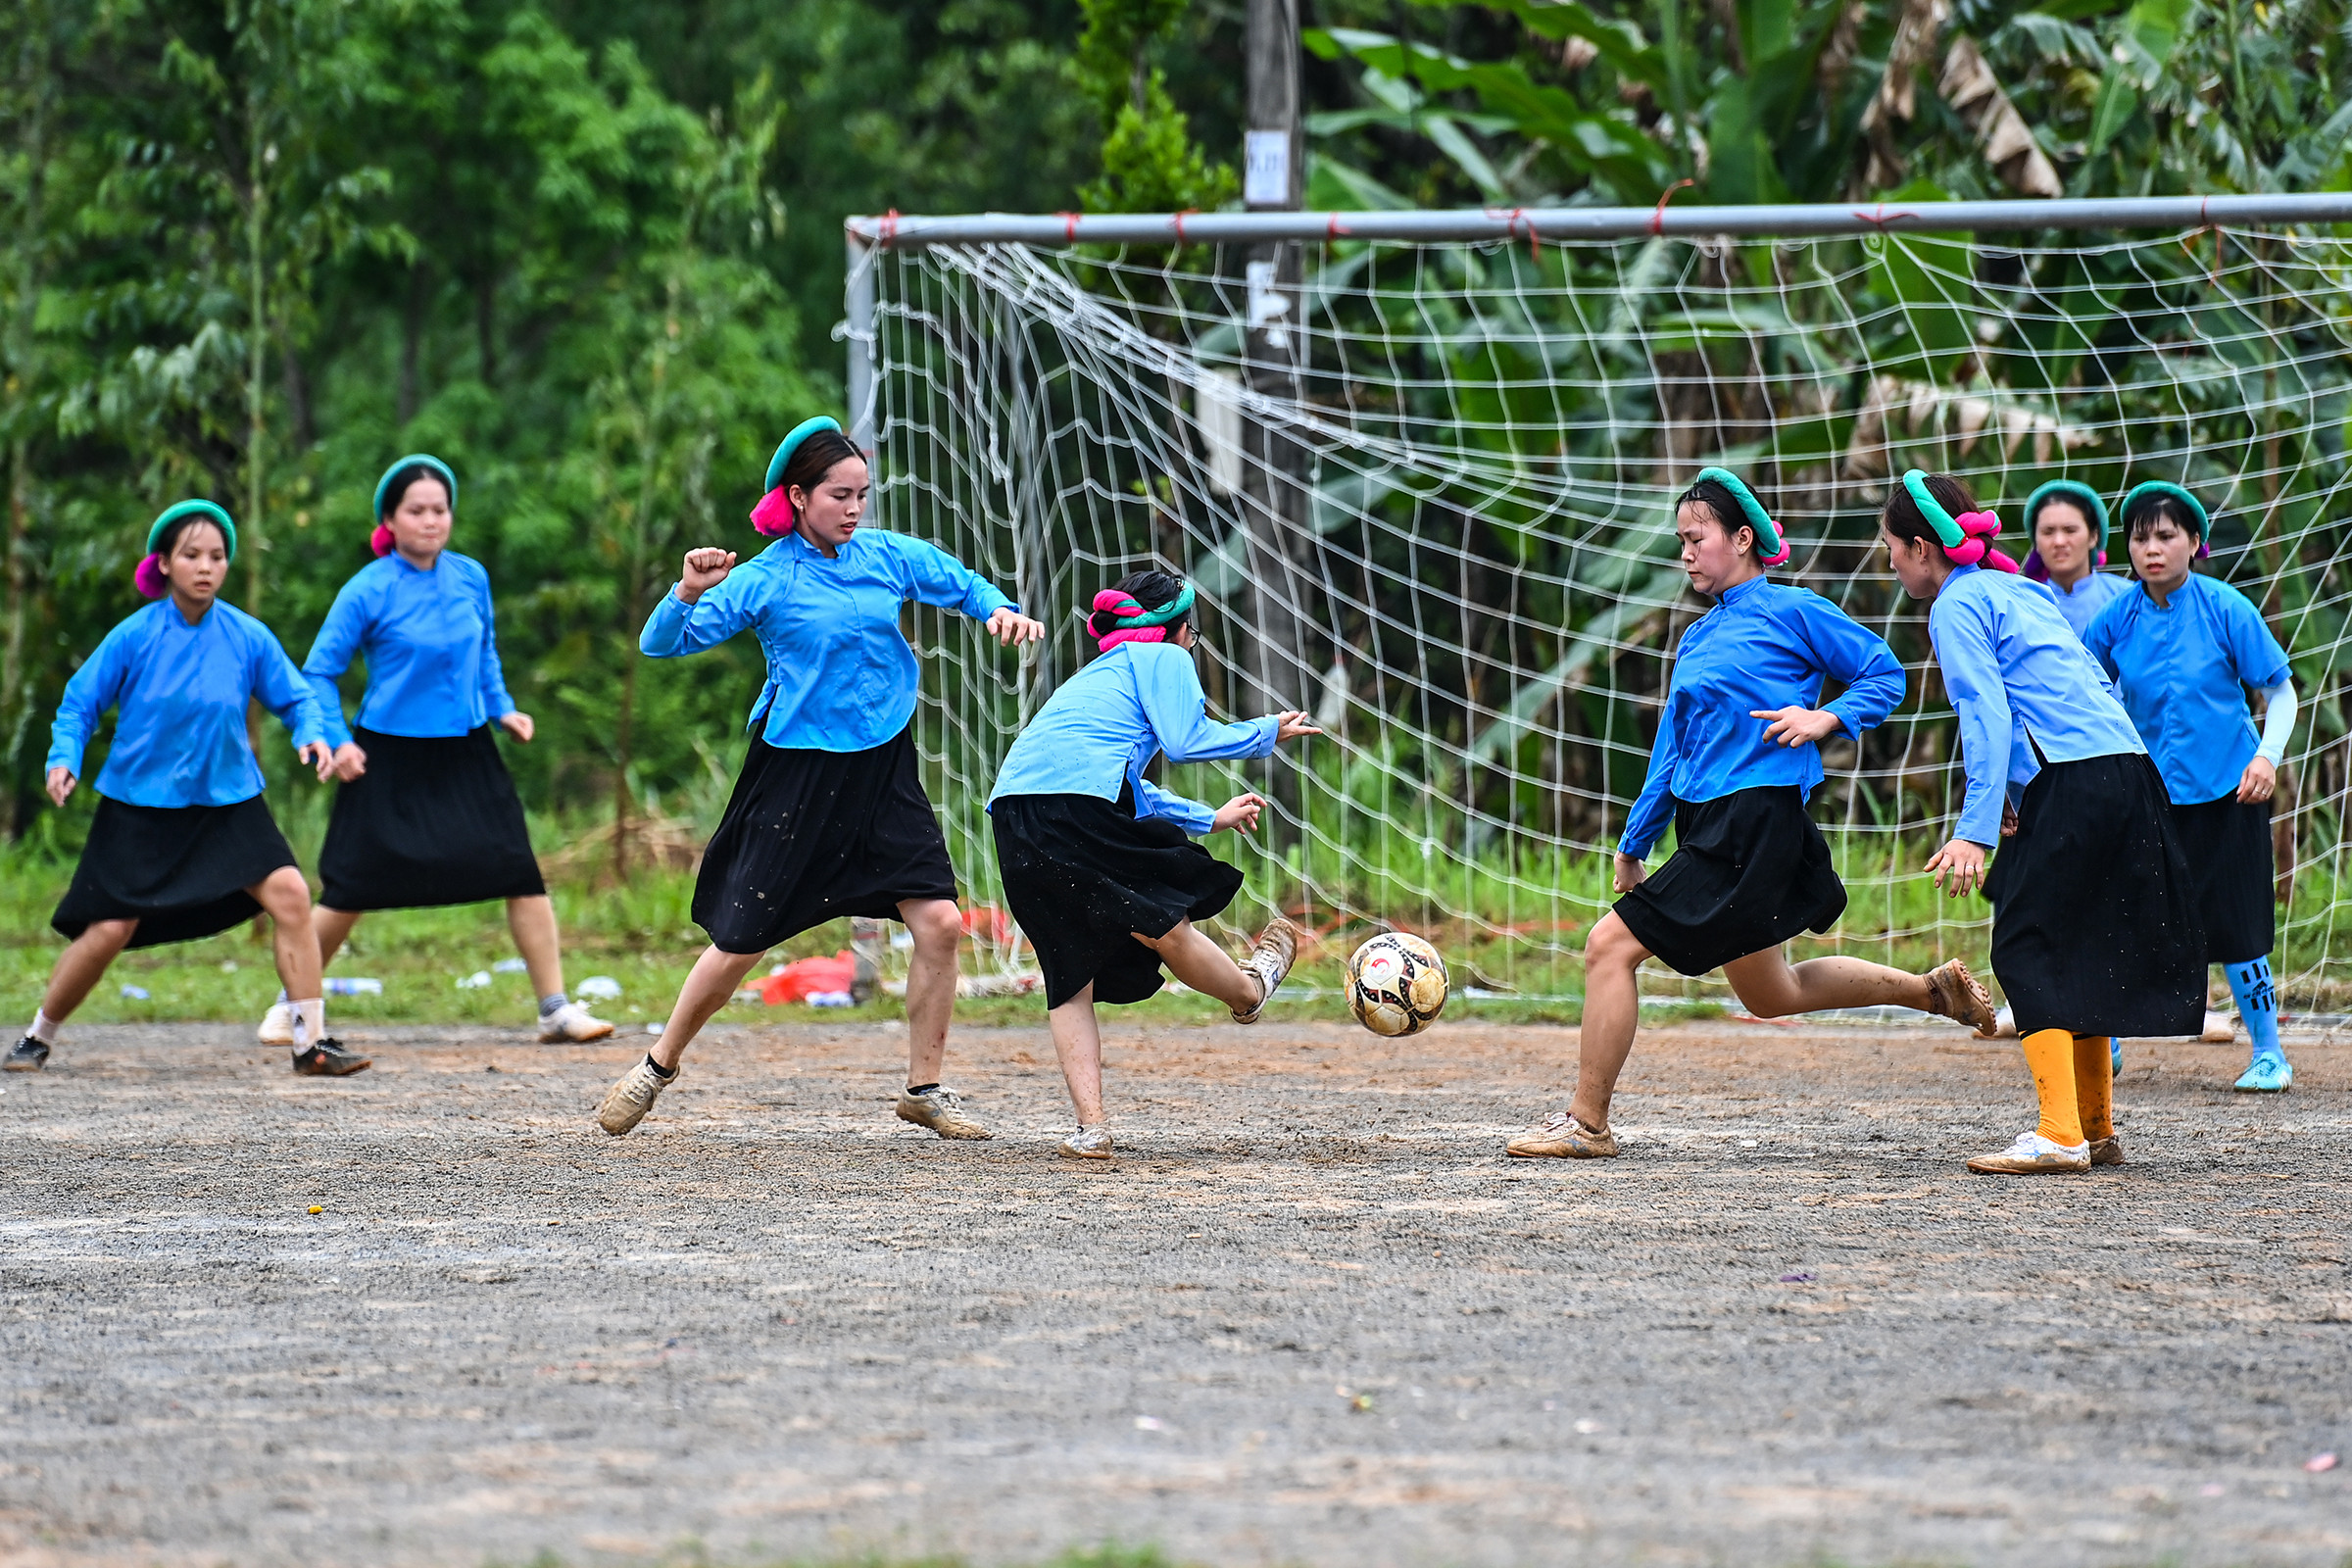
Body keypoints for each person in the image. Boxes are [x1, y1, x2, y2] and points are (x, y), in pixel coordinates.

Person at [1506, 468, 1998, 1161]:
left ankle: (1587, 1123)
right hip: (1709, 825)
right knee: (1773, 991)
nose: (1684, 553)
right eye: (1680, 540)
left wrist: (1826, 715)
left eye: (1695, 537)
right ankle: (1934, 991)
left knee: (1607, 948)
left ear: (1742, 538)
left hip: (1757, 821)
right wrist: (1634, 840)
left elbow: (1883, 673)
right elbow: (1672, 751)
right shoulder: (1698, 639)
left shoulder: (1793, 611)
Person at [597, 416, 1044, 1137]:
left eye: (863, 494)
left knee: (940, 924)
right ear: (798, 497)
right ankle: (657, 1065)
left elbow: (957, 583)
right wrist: (685, 590)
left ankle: (924, 1089)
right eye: (840, 494)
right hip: (796, 776)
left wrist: (999, 612)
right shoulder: (766, 578)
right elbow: (662, 643)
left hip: (883, 769)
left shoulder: (884, 556)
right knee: (742, 942)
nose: (855, 508)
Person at [1883, 469, 2204, 1173]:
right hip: (2127, 770)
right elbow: (2057, 694)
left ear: (1920, 547)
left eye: (1893, 551)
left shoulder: (1958, 602)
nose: (1892, 565)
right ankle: (2094, 1128)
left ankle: (2058, 1134)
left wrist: (1972, 825)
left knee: (2029, 945)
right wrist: (2018, 798)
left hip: (2076, 777)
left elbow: (1989, 711)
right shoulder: (2020, 589)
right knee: (2083, 943)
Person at [5, 502, 369, 1077]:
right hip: (139, 805)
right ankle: (36, 1035)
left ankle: (311, 1044)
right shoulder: (136, 634)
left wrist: (311, 735)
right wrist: (63, 757)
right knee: (109, 929)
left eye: (217, 556)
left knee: (292, 895)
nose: (206, 566)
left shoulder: (247, 635)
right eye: (192, 555)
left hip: (227, 802)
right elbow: (79, 703)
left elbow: (297, 698)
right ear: (165, 564)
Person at [265, 455, 611, 1048]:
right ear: (390, 521)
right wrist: (340, 741)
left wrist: (502, 708)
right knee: (349, 889)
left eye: (440, 509)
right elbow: (317, 673)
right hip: (384, 757)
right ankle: (290, 1006)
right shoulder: (366, 589)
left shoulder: (471, 576)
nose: (431, 521)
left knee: (520, 873)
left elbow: (486, 653)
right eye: (416, 511)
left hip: (466, 748)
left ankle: (554, 1009)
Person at [987, 571, 1318, 1159]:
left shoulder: (1095, 678)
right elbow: (1186, 741)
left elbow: (1121, 784)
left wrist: (1206, 818)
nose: (1193, 643)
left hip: (1014, 817)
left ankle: (1092, 1130)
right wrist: (1266, 731)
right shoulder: (1163, 656)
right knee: (1164, 923)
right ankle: (1249, 990)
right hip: (1075, 811)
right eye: (1194, 633)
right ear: (1178, 628)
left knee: (1070, 976)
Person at [2082, 481, 2297, 1093]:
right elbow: (2083, 691)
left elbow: (2279, 691)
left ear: (2195, 543)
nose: (2153, 549)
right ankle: (2107, 1045)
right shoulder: (2115, 618)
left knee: (2239, 922)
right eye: (2141, 537)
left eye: (2166, 536)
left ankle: (2268, 1053)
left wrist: (2266, 756)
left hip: (2230, 794)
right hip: (2145, 797)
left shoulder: (2227, 606)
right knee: (2127, 915)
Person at [2019, 479, 2130, 637]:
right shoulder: (2021, 603)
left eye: (2070, 530)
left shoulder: (2127, 598)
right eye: (2048, 532)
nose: (2059, 542)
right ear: (2035, 541)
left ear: (2093, 536)